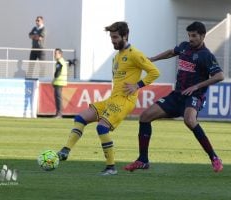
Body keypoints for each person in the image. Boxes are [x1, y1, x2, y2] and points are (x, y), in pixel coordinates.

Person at [57, 21, 160, 175]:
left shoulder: (135, 54)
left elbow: (154, 72)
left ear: (125, 36)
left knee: (102, 127)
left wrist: (137, 85)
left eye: (116, 37)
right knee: (80, 118)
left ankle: (111, 168)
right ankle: (65, 150)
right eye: (111, 37)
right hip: (112, 99)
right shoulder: (116, 57)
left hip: (125, 100)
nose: (113, 40)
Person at [124, 21, 224, 173]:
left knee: (189, 120)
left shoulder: (206, 56)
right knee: (145, 116)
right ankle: (142, 160)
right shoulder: (184, 46)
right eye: (189, 35)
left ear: (203, 36)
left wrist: (196, 86)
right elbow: (171, 52)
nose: (191, 38)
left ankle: (214, 157)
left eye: (194, 36)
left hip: (194, 96)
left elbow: (220, 75)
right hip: (177, 95)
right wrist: (152, 59)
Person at [52, 48, 68, 118]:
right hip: (60, 82)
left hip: (59, 82)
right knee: (58, 98)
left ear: (60, 54)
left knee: (58, 98)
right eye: (54, 53)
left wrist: (54, 78)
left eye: (56, 53)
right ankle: (58, 113)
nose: (54, 55)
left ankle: (59, 114)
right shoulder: (62, 61)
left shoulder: (60, 62)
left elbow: (57, 73)